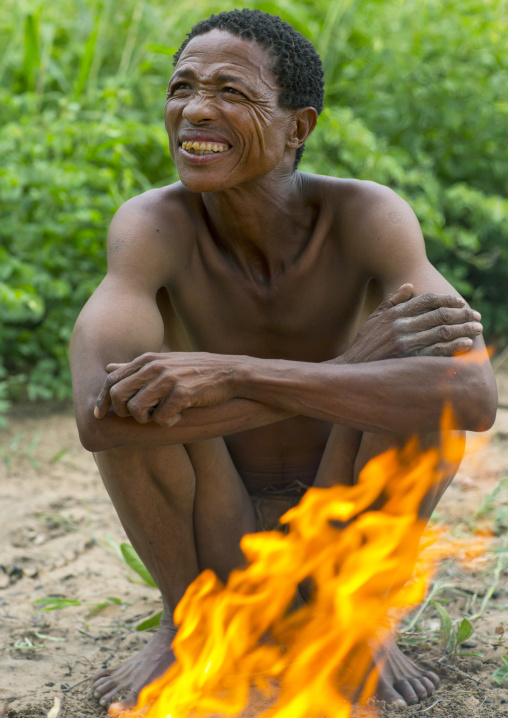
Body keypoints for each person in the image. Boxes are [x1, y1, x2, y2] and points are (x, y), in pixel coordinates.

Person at [69, 9, 497, 710]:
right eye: (182, 87)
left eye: (231, 93)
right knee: (132, 394)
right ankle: (187, 626)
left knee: (426, 399)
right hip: (216, 536)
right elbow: (96, 421)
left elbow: (475, 398)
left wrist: (235, 372)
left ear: (298, 127)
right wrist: (352, 365)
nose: (196, 110)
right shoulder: (152, 225)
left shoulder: (367, 216)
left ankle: (355, 624)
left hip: (339, 517)